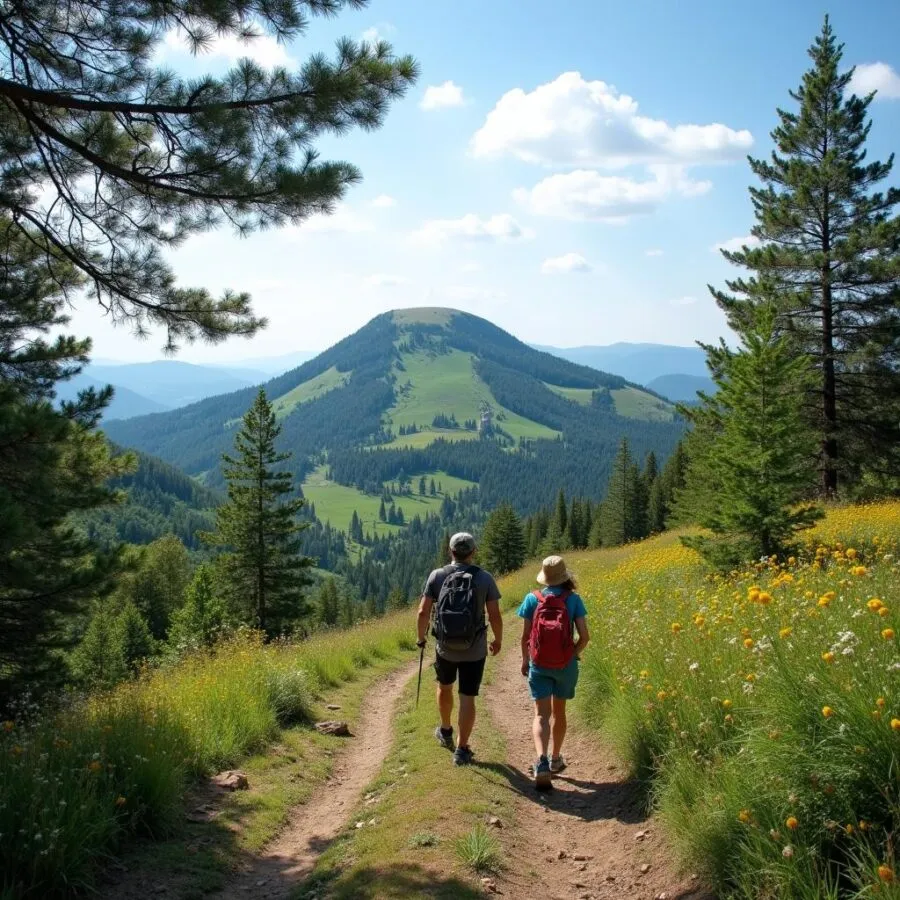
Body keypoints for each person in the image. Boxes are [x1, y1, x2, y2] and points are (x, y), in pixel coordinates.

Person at [416, 532, 503, 766]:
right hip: (475, 649)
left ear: (450, 551)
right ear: (473, 552)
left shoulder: (437, 576)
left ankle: (445, 730)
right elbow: (495, 615)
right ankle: (462, 749)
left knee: (444, 687)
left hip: (445, 648)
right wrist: (498, 639)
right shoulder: (484, 578)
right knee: (467, 697)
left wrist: (421, 638)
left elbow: (423, 612)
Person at [518, 554, 590, 789]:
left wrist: (525, 660)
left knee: (541, 715)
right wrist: (572, 654)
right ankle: (555, 758)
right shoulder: (574, 599)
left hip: (539, 665)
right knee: (559, 712)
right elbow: (585, 637)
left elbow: (525, 637)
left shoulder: (532, 599)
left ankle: (541, 761)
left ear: (545, 577)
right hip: (565, 666)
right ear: (564, 576)